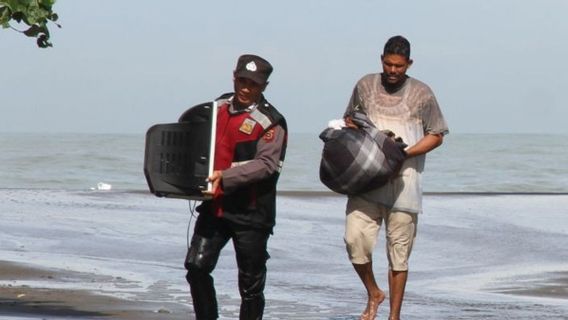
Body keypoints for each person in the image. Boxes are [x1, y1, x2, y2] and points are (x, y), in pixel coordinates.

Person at [343, 36, 449, 320]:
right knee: (355, 243)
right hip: (365, 183)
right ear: (381, 59)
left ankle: (394, 316)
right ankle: (374, 292)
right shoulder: (365, 85)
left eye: (399, 66)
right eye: (388, 64)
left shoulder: (422, 93)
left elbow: (437, 134)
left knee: (398, 256)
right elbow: (350, 120)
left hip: (405, 185)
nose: (392, 70)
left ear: (409, 64)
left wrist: (405, 153)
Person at [183, 54, 287, 320]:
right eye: (242, 80)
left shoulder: (271, 121)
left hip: (252, 214)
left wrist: (225, 177)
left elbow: (266, 165)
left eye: (253, 83)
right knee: (196, 267)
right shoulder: (215, 108)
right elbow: (191, 140)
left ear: (263, 87)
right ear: (234, 76)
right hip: (214, 206)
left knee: (250, 286)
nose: (245, 87)